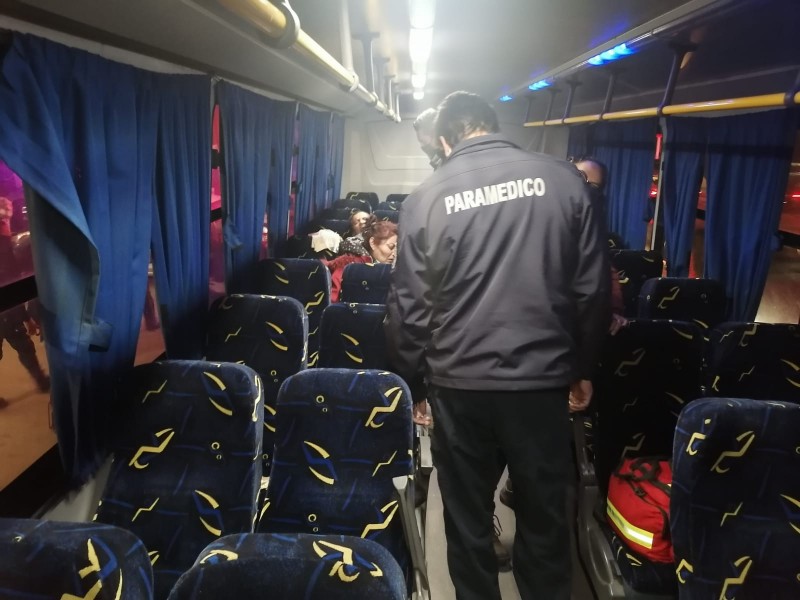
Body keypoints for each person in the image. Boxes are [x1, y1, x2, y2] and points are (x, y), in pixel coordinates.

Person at [385, 91, 610, 600]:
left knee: (467, 518)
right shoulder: (565, 181)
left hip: (459, 385)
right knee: (544, 516)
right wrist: (583, 368)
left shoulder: (426, 197)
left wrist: (414, 383)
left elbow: (409, 307)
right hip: (541, 383)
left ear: (446, 138)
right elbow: (592, 289)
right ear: (493, 124)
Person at [0, 197, 50, 407]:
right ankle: (41, 381)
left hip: (8, 310)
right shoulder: (4, 246)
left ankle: (41, 380)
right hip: (6, 311)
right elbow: (10, 280)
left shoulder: (6, 243)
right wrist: (26, 317)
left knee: (23, 345)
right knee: (23, 344)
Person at [323, 216, 397, 301]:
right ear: (372, 243)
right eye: (391, 247)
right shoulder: (349, 265)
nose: (394, 254)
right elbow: (333, 300)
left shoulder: (398, 268)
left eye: (397, 248)